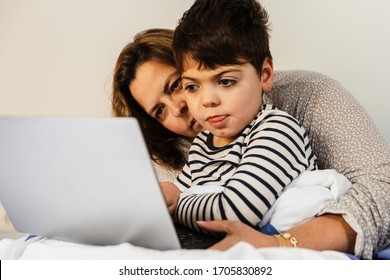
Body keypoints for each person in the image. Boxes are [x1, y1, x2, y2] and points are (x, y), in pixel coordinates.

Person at [111, 27, 390, 261]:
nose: (178, 109)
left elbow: (384, 187)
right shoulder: (183, 147)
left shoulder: (294, 107)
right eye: (159, 111)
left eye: (178, 86)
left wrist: (278, 246)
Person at [159, 0, 352, 246]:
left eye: (226, 81)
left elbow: (237, 211)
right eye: (192, 87)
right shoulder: (201, 145)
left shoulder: (277, 130)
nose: (208, 100)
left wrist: (176, 205)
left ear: (265, 75)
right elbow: (178, 190)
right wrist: (165, 194)